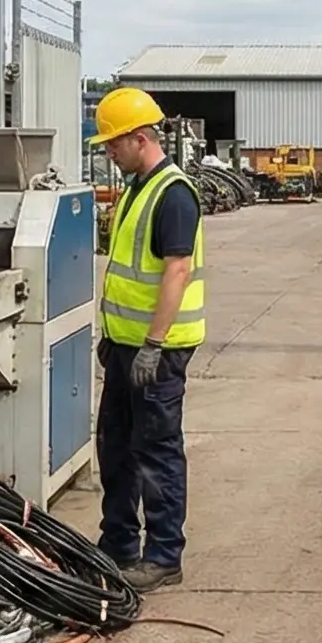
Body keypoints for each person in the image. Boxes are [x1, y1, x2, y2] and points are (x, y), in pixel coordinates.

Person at [88, 86, 202, 592]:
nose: (108, 152)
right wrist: (114, 335)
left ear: (139, 138)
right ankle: (117, 543)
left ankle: (162, 556)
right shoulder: (138, 186)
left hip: (158, 353)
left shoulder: (172, 194)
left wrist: (153, 345)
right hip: (127, 347)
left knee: (155, 450)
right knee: (115, 447)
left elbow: (178, 270)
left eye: (113, 143)